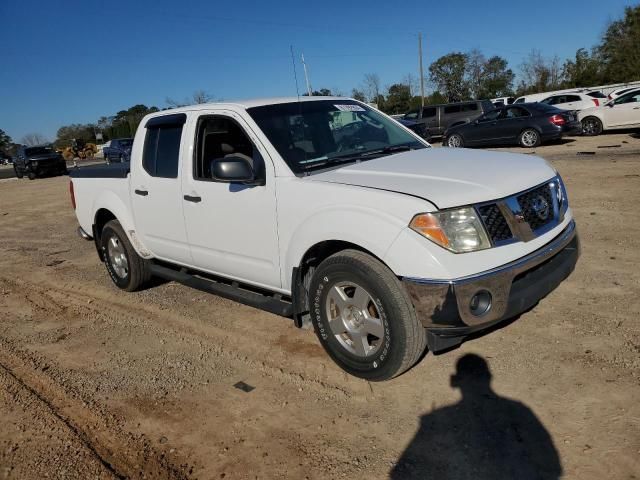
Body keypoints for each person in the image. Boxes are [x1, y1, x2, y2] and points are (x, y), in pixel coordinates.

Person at [390, 354, 562, 480]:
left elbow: (397, 474)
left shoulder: (434, 418)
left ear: (454, 380)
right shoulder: (520, 409)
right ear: (489, 377)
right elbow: (553, 468)